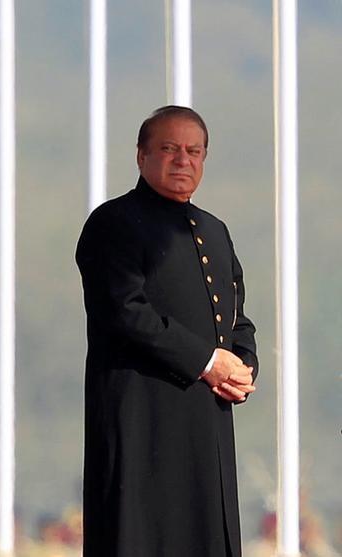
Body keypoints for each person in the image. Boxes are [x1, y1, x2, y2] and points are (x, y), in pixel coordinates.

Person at [75, 105, 259, 557]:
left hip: (204, 425)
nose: (183, 160)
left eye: (194, 151)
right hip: (142, 420)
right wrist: (208, 362)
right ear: (141, 156)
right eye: (169, 149)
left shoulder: (214, 231)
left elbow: (237, 317)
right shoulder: (112, 223)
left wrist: (243, 364)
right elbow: (125, 310)